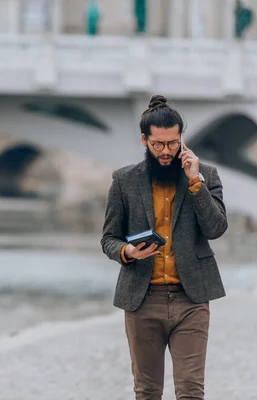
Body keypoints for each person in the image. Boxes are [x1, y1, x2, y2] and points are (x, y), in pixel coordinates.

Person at [100, 94, 227, 399]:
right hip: (142, 300)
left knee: (191, 392)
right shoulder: (124, 181)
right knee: (147, 392)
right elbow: (108, 239)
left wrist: (195, 183)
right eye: (158, 144)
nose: (166, 151)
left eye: (172, 143)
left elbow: (216, 229)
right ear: (145, 140)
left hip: (191, 300)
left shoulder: (205, 176)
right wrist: (127, 252)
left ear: (181, 138)